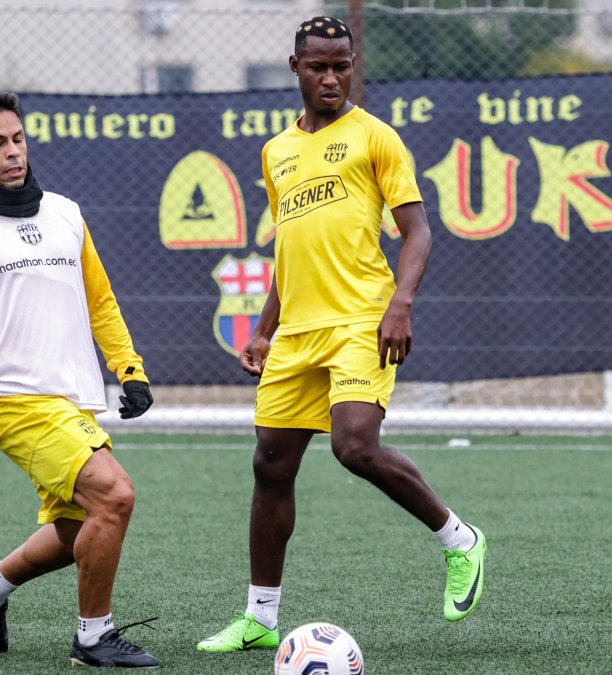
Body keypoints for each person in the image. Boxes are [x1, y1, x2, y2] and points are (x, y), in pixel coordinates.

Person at [196, 16, 488, 654]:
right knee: (270, 467)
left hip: (363, 318)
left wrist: (401, 304)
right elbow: (290, 251)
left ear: (352, 66)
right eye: (318, 66)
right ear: (295, 68)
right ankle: (259, 618)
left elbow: (419, 232)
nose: (331, 77)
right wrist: (264, 328)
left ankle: (460, 540)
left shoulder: (375, 138)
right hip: (296, 332)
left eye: (342, 65)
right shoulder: (276, 152)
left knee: (354, 446)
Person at [0, 91, 158, 669]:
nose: (13, 152)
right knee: (115, 495)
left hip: (76, 399)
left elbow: (100, 301)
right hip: (17, 401)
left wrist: (129, 371)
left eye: (18, 139)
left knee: (74, 525)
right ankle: (93, 637)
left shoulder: (65, 212)